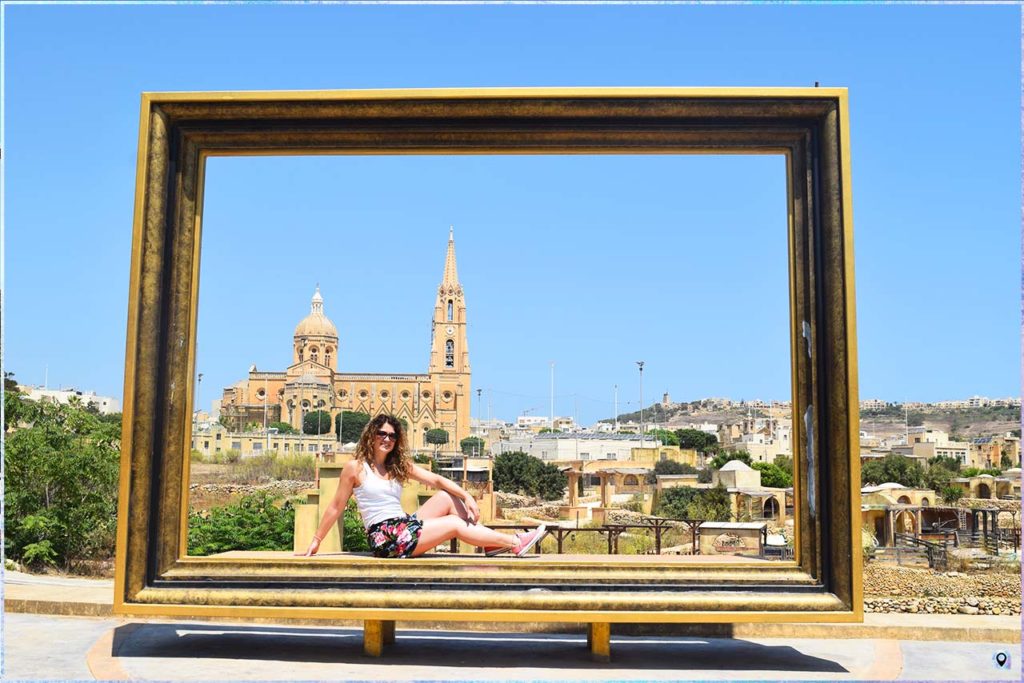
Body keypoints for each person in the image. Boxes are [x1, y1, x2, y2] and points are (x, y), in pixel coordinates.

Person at [300, 414, 546, 558]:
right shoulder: (355, 468)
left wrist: (467, 496)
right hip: (385, 537)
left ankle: (491, 543)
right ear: (371, 436)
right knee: (453, 524)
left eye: (392, 436)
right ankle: (514, 543)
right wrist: (316, 540)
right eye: (382, 434)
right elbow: (335, 506)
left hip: (403, 525)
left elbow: (437, 480)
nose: (387, 439)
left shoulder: (398, 466)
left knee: (446, 497)